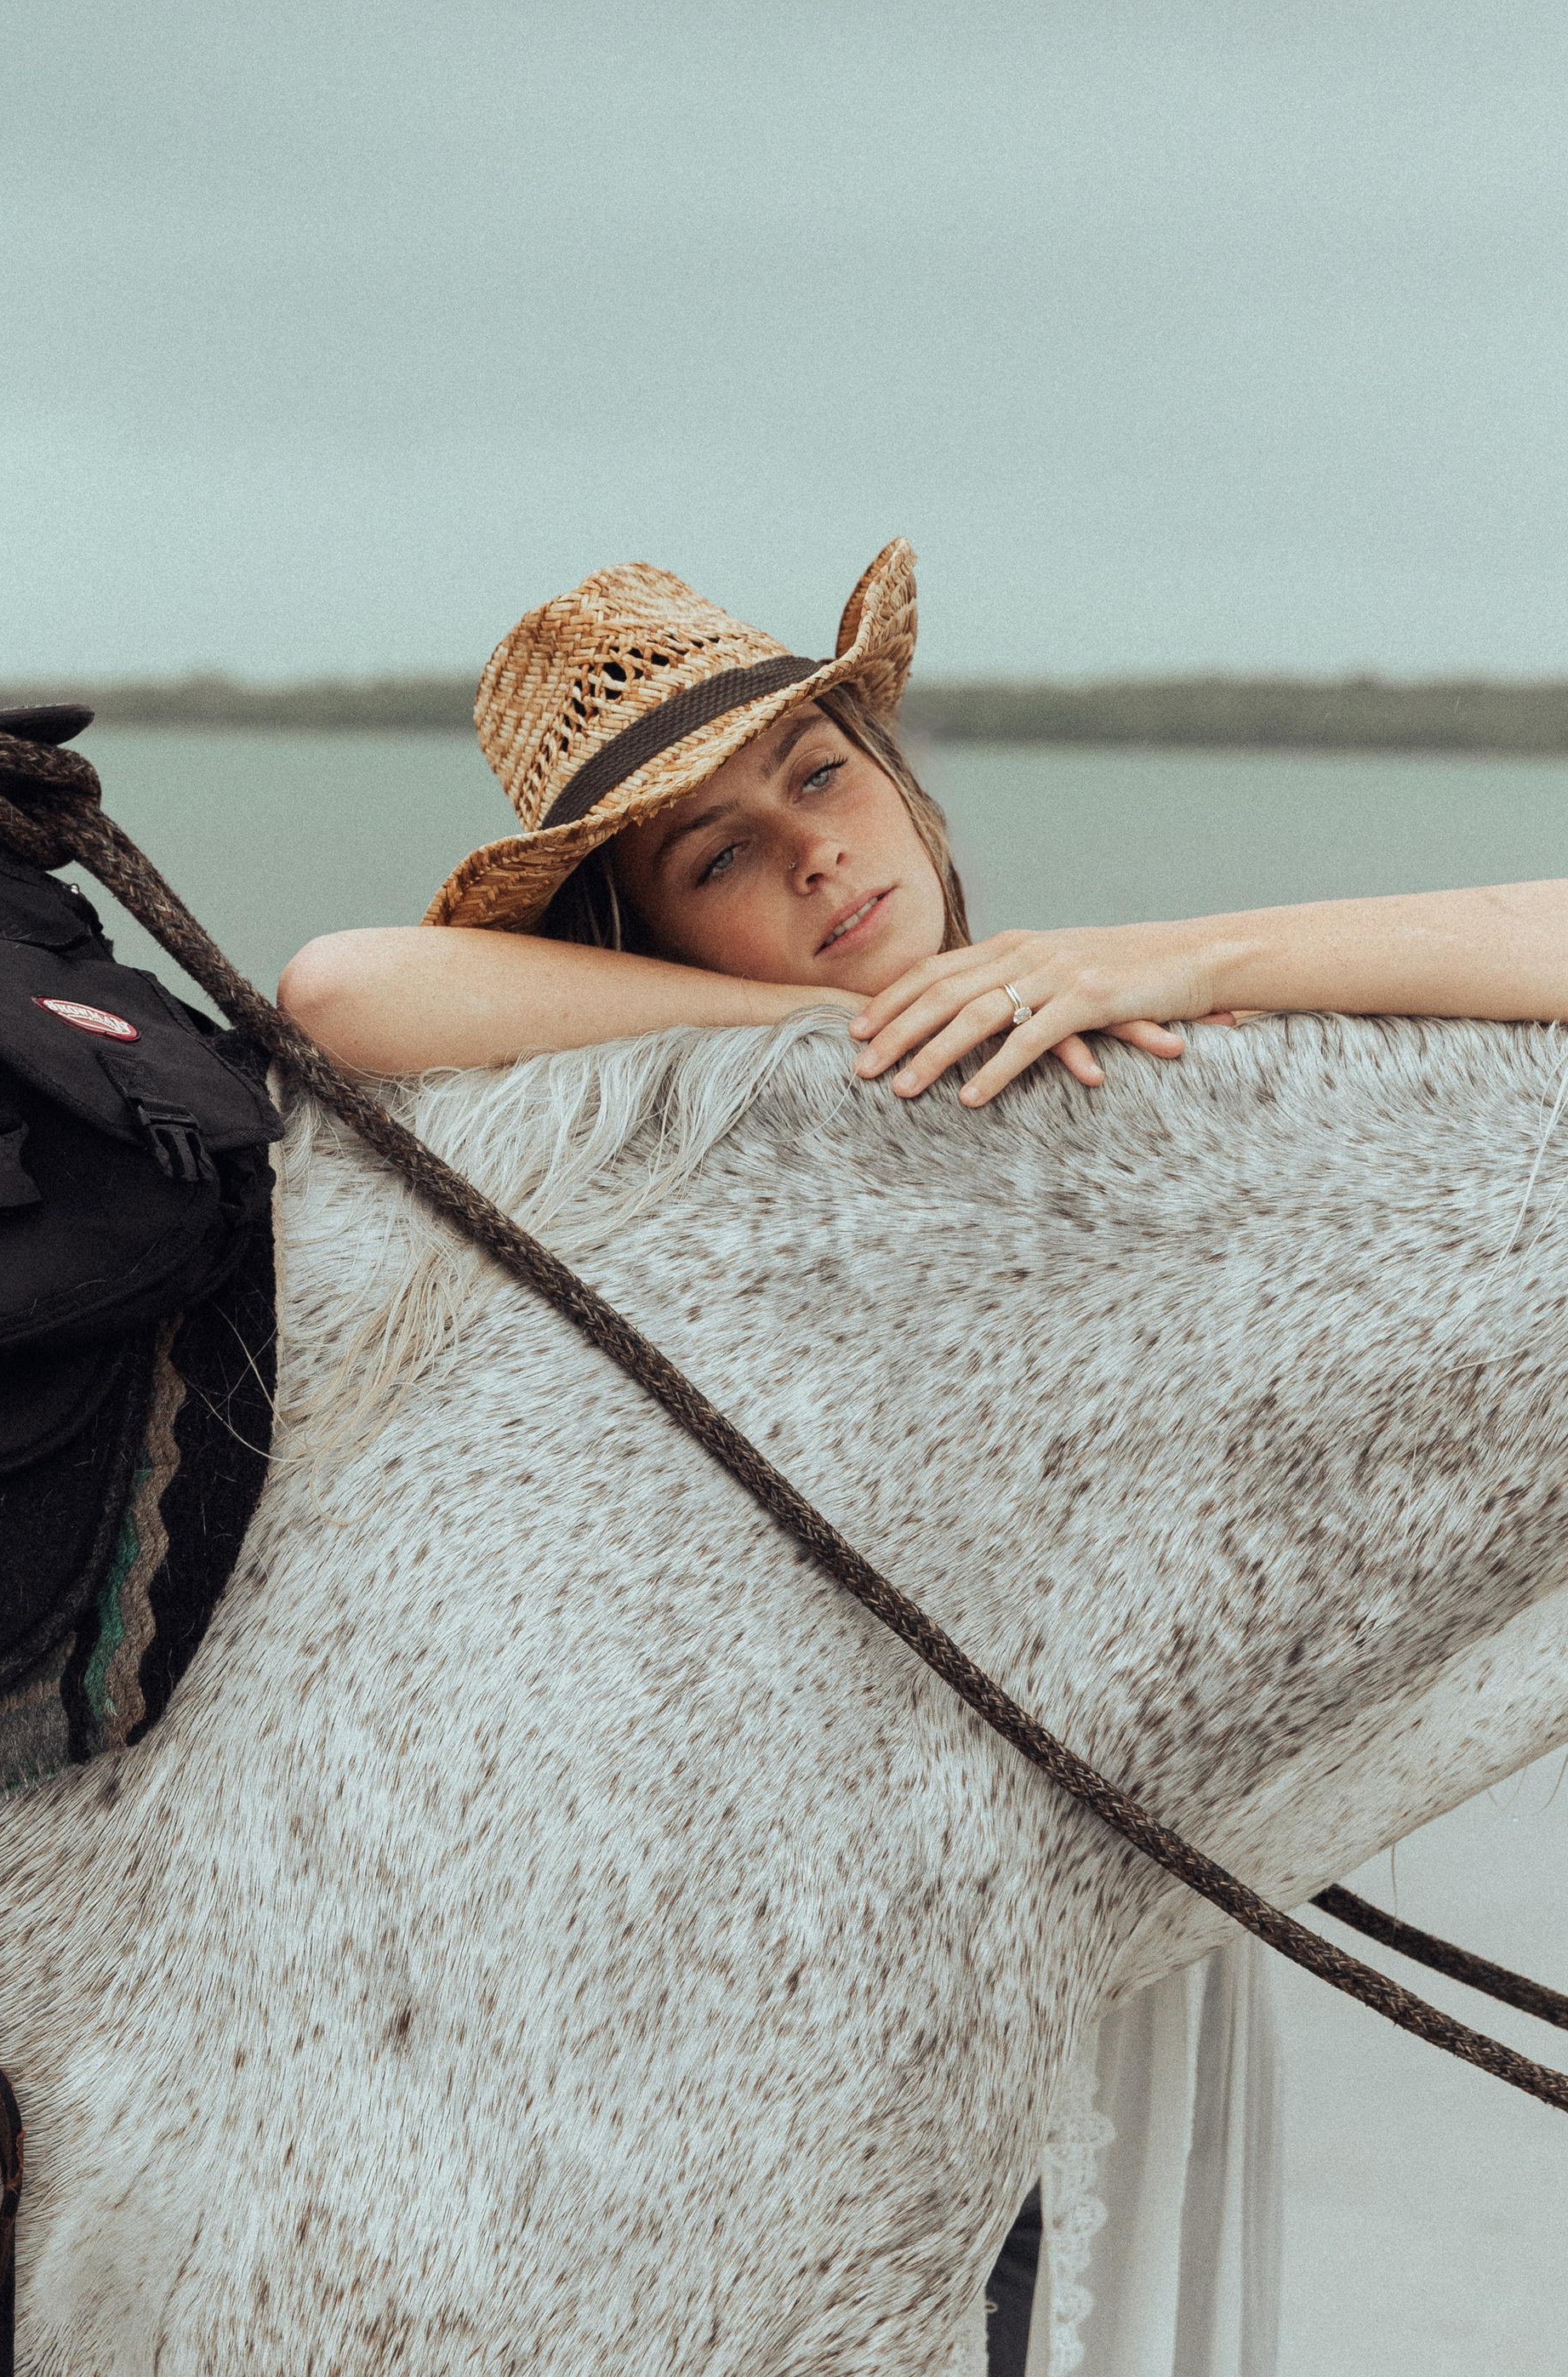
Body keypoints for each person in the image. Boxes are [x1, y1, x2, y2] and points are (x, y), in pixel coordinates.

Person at [280, 542, 1568, 2377]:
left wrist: (1178, 951)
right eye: (715, 853)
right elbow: (339, 990)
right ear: (638, 938)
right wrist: (824, 1034)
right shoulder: (698, 1124)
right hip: (827, 1912)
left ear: (895, 779)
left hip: (1084, 1868)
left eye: (817, 772)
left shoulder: (1109, 1040)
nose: (811, 849)